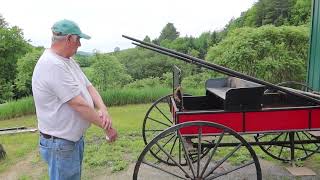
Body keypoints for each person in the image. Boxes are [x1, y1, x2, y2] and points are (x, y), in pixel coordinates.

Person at [32, 19, 117, 180]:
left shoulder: (68, 61)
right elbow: (78, 105)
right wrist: (106, 127)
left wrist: (103, 109)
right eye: (78, 40)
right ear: (69, 38)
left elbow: (89, 86)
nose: (80, 45)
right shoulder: (52, 64)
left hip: (70, 141)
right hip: (60, 143)